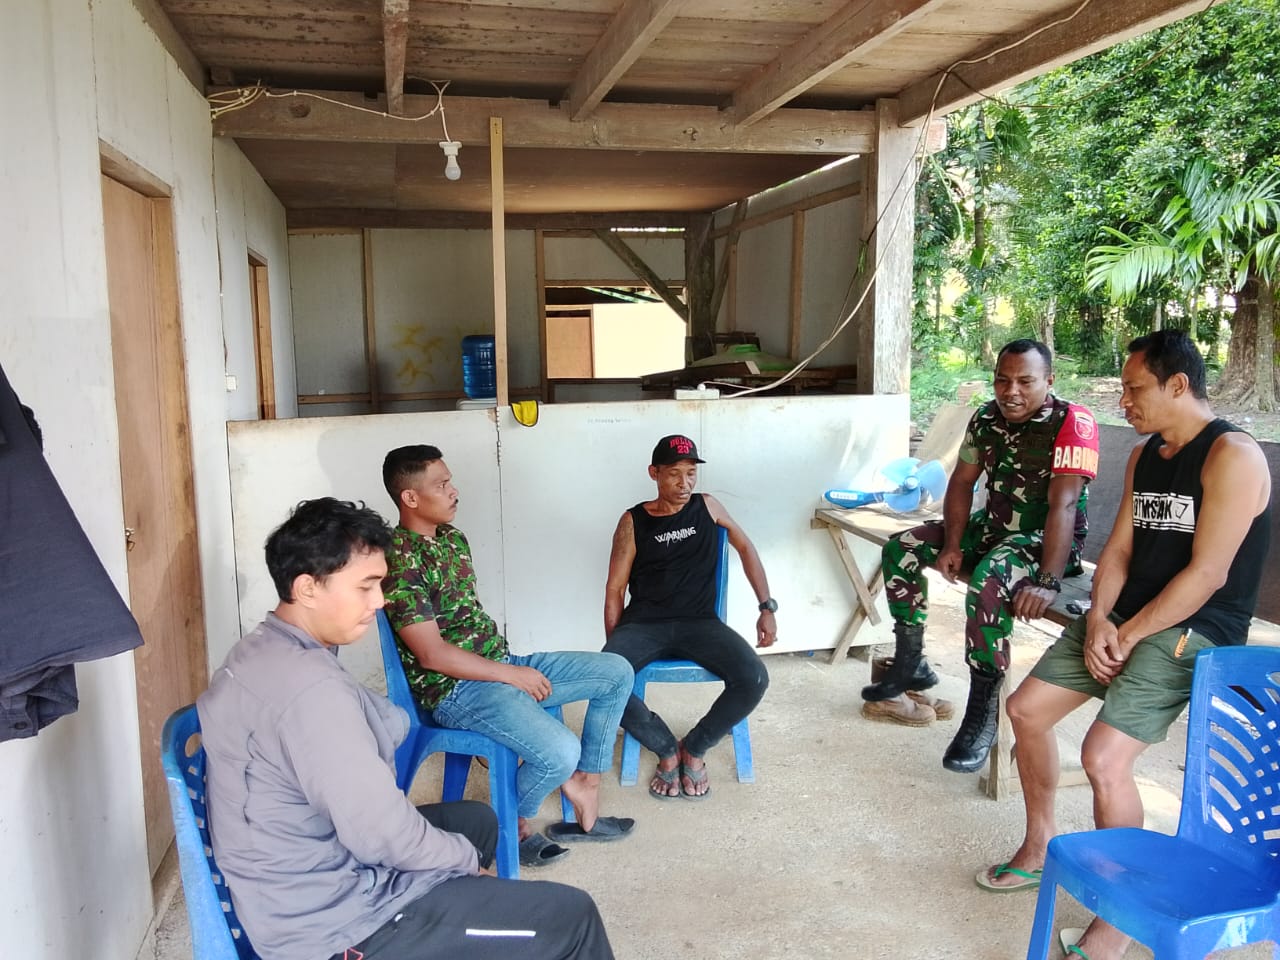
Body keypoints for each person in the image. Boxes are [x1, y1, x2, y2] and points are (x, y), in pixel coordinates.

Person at [197, 498, 615, 960]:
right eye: (366, 587)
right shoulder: (310, 691)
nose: (379, 602)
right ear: (307, 588)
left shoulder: (261, 649)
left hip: (301, 866)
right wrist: (467, 867)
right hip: (335, 924)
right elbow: (381, 834)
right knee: (572, 915)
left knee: (477, 823)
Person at [980, 331, 1272, 960]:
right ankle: (1040, 844)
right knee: (1026, 711)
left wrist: (1129, 634)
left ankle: (1119, 920)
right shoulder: (1146, 454)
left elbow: (1209, 575)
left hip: (1196, 626)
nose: (1124, 401)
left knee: (1104, 757)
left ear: (1178, 384)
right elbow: (1115, 551)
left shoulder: (1232, 455)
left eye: (1135, 388)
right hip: (1125, 616)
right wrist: (1099, 620)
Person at [381, 445, 635, 869]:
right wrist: (511, 676)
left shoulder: (452, 539)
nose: (453, 491)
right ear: (410, 497)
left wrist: (511, 670)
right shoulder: (398, 559)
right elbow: (431, 654)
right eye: (441, 485)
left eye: (450, 481)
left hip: (499, 662)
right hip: (457, 690)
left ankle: (585, 782)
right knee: (559, 751)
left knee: (616, 672)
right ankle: (511, 823)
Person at [863, 339, 1099, 776]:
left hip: (1044, 541)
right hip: (992, 529)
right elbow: (961, 482)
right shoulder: (986, 417)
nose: (1011, 391)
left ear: (1049, 380)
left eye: (1025, 381)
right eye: (1002, 380)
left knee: (988, 581)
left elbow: (1064, 505)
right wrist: (953, 544)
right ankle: (911, 661)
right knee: (903, 546)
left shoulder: (1073, 422)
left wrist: (1047, 582)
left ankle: (983, 710)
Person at [603, 434, 775, 800]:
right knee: (603, 680)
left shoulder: (708, 506)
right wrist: (614, 649)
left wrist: (766, 607)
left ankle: (695, 748)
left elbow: (746, 547)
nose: (684, 484)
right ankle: (665, 748)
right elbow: (615, 589)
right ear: (654, 473)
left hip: (700, 624)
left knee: (754, 677)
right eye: (674, 474)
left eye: (691, 473)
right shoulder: (633, 520)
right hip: (643, 625)